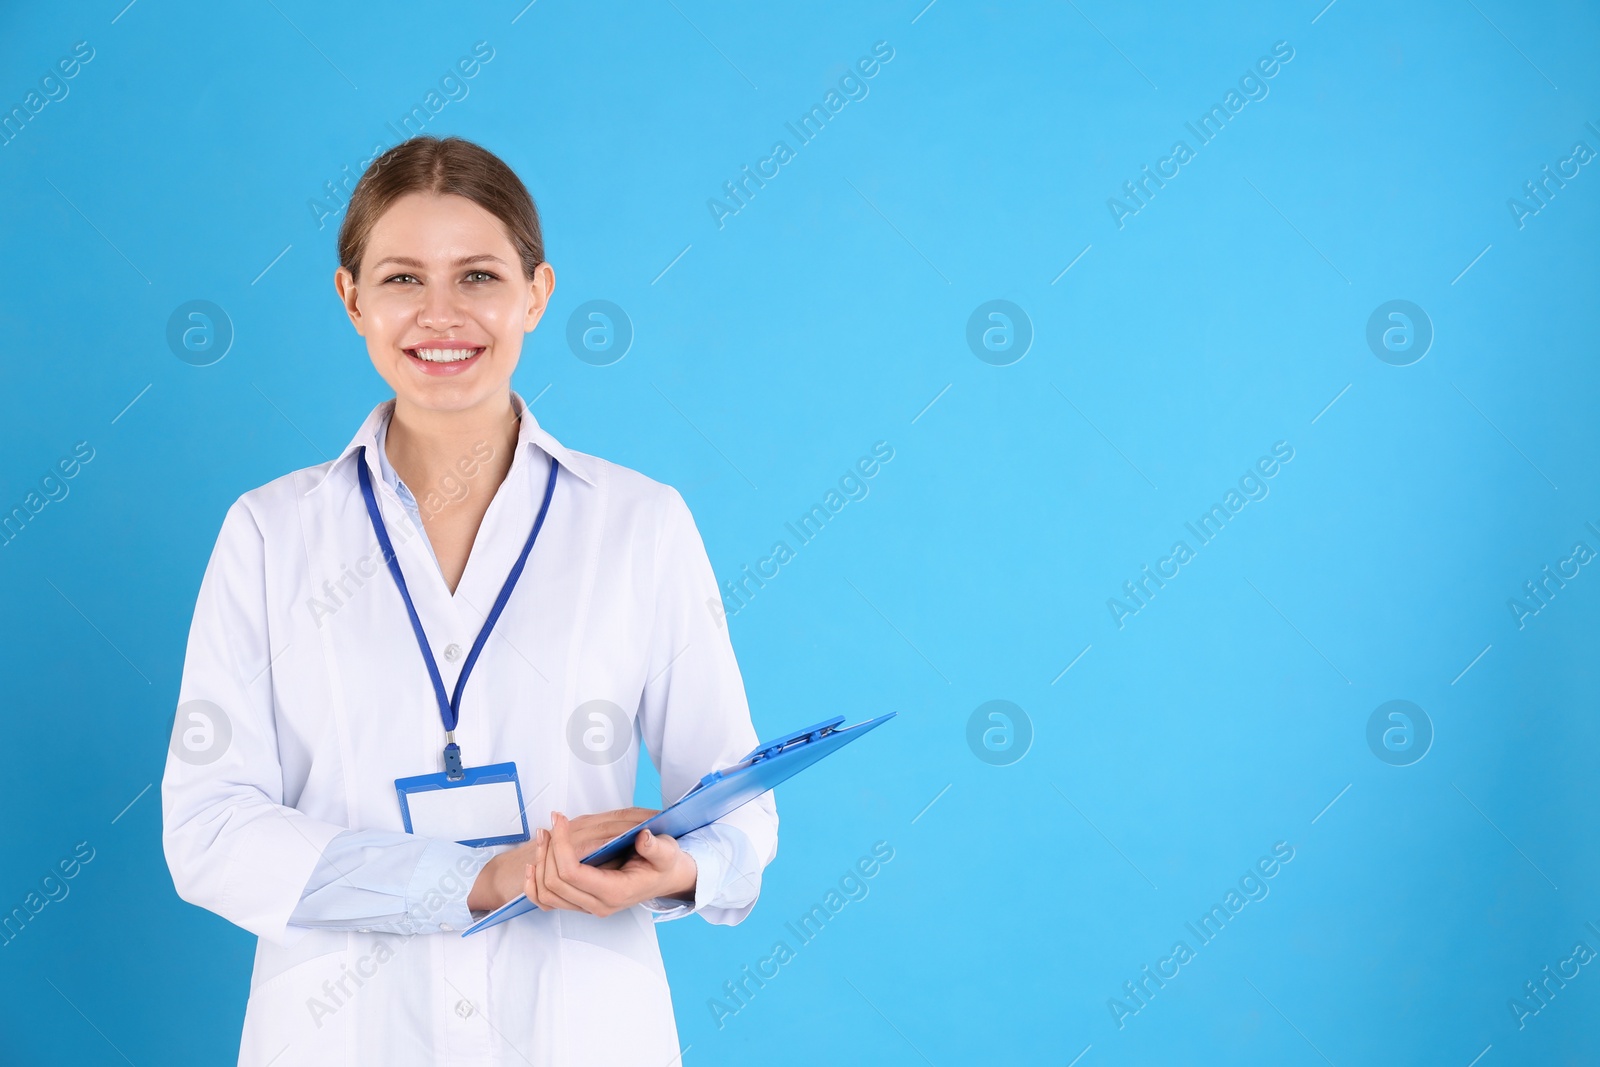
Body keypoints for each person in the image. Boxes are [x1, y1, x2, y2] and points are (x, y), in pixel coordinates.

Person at [161, 135, 778, 1066]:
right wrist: (474, 879)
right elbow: (209, 828)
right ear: (351, 299)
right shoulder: (270, 533)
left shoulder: (640, 522)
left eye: (479, 275)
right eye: (403, 278)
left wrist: (683, 867)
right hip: (343, 1034)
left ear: (537, 292)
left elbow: (734, 802)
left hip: (577, 1031)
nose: (440, 315)